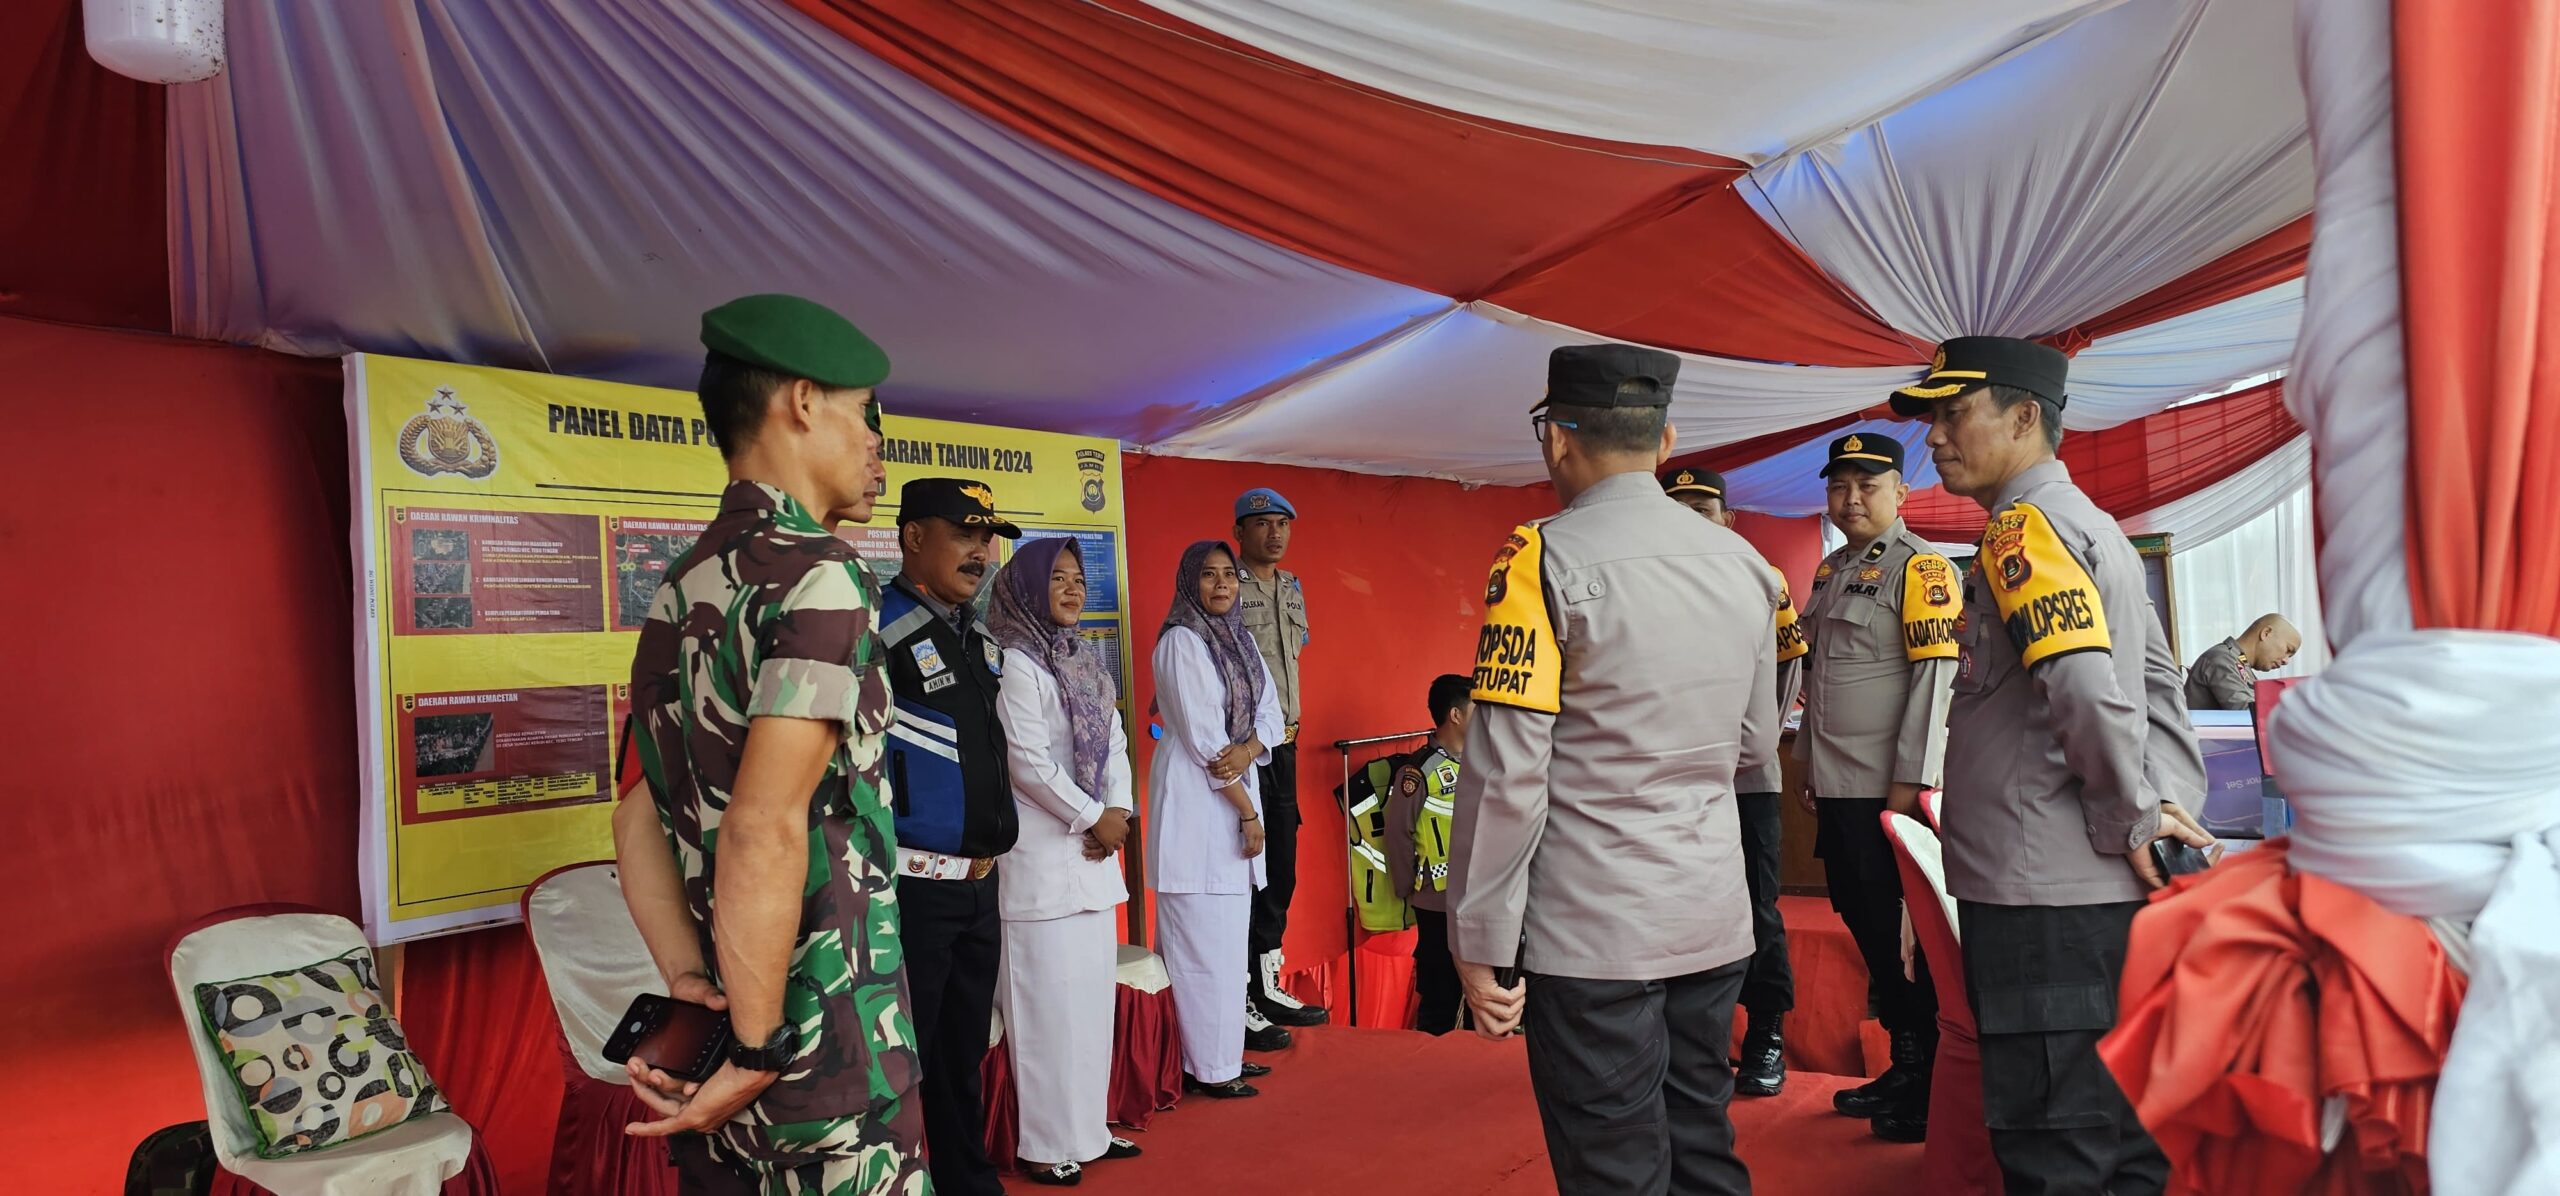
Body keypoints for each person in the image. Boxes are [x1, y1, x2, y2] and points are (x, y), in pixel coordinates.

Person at [1447, 344, 1781, 1196]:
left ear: (1557, 441)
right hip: (1710, 915)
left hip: (1593, 931)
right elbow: (1753, 746)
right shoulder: (1744, 565)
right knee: (1703, 1139)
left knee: (1613, 1164)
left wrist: (1478, 935)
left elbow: (1507, 774)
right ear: (1665, 439)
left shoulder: (1541, 560)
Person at [614, 292, 929, 1194]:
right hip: (821, 1057)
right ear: (800, 402)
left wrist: (692, 988)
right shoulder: (821, 574)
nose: (875, 447)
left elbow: (636, 818)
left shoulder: (680, 586)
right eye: (863, 415)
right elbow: (762, 825)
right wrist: (757, 1045)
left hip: (714, 1050)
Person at [1897, 336, 2221, 1195]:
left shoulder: (2022, 528)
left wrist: (2135, 817)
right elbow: (2155, 680)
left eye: (1953, 412)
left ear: (2025, 417)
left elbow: (2084, 686)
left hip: (2042, 900)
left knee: (2056, 1147)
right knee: (2122, 1137)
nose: (1934, 435)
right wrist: (2162, 806)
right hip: (2100, 897)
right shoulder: (2098, 528)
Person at [1790, 432, 1959, 1142]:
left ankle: (1933, 1081)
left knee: (1911, 937)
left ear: (1901, 494)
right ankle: (1909, 1056)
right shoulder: (1830, 571)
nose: (1851, 498)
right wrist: (1805, 766)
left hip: (1888, 792)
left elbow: (1936, 681)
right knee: (1865, 925)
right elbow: (1817, 679)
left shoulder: (1922, 571)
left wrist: (1910, 783)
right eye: (1839, 486)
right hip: (1837, 785)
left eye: (1867, 484)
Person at [878, 476, 1023, 1196]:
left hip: (978, 886)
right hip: (911, 889)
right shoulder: (876, 626)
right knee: (906, 1059)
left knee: (963, 1053)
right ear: (912, 536)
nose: (982, 551)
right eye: (965, 533)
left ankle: (968, 1181)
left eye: (987, 536)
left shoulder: (979, 636)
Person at [986, 536, 1146, 1186]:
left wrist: (1121, 811)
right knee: (1045, 1012)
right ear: (1026, 586)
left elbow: (1116, 743)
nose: (1074, 589)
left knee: (1088, 1008)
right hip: (1040, 862)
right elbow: (1027, 763)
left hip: (1093, 863)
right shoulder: (1016, 664)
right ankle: (1047, 1142)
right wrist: (1094, 817)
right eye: (1058, 577)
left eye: (1078, 579)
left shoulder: (1088, 663)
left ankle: (1091, 1129)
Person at [1661, 466, 1807, 1098]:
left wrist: (1755, 742)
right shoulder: (1651, 581)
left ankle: (1766, 1033)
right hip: (1670, 782)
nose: (1695, 515)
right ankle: (1691, 1039)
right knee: (1677, 905)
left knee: (1756, 907)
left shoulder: (1762, 577)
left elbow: (1789, 668)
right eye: (1681, 505)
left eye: (1705, 505)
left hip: (1745, 782)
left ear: (1728, 515)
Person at [1148, 540, 1287, 1099]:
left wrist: (1251, 748)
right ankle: (1201, 1067)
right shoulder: (1182, 641)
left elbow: (1274, 718)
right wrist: (1250, 814)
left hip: (1233, 795)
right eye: (1208, 575)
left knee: (1228, 949)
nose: (1222, 584)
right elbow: (1207, 743)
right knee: (1197, 948)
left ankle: (1223, 1054)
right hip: (1199, 809)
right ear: (1189, 582)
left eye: (1228, 574)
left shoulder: (1242, 641)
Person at [1232, 486, 1327, 1036]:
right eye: (1262, 523)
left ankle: (1268, 980)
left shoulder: (1291, 587)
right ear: (1240, 531)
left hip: (1285, 743)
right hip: (1247, 748)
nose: (1274, 533)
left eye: (1283, 523)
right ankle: (1242, 991)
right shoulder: (1227, 587)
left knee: (1283, 864)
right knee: (1250, 868)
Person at [1382, 674, 1475, 1035]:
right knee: (1440, 990)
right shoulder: (1418, 770)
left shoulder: (1480, 762)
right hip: (1437, 899)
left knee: (1480, 990)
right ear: (1455, 715)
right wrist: (1407, 887)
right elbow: (1398, 833)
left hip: (1478, 895)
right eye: (1476, 709)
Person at [2184, 613, 2300, 709]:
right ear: (2266, 633)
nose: (2286, 661)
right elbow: (2249, 713)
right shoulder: (2221, 660)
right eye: (2288, 650)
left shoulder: (2239, 661)